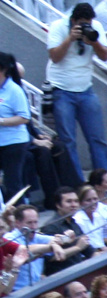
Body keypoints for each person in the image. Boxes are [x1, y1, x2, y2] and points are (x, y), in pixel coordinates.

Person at [46, 4, 107, 184]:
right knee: (68, 140)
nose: (87, 26)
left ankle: (104, 181)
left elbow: (105, 56)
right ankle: (77, 184)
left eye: (89, 23)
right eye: (83, 24)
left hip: (86, 89)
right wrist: (70, 39)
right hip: (61, 89)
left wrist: (94, 42)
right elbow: (54, 56)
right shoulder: (58, 27)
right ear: (73, 21)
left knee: (97, 138)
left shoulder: (95, 28)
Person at [0, 54, 32, 206]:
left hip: (13, 143)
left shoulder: (14, 90)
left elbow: (24, 117)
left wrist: (1, 121)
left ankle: (20, 216)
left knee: (13, 182)